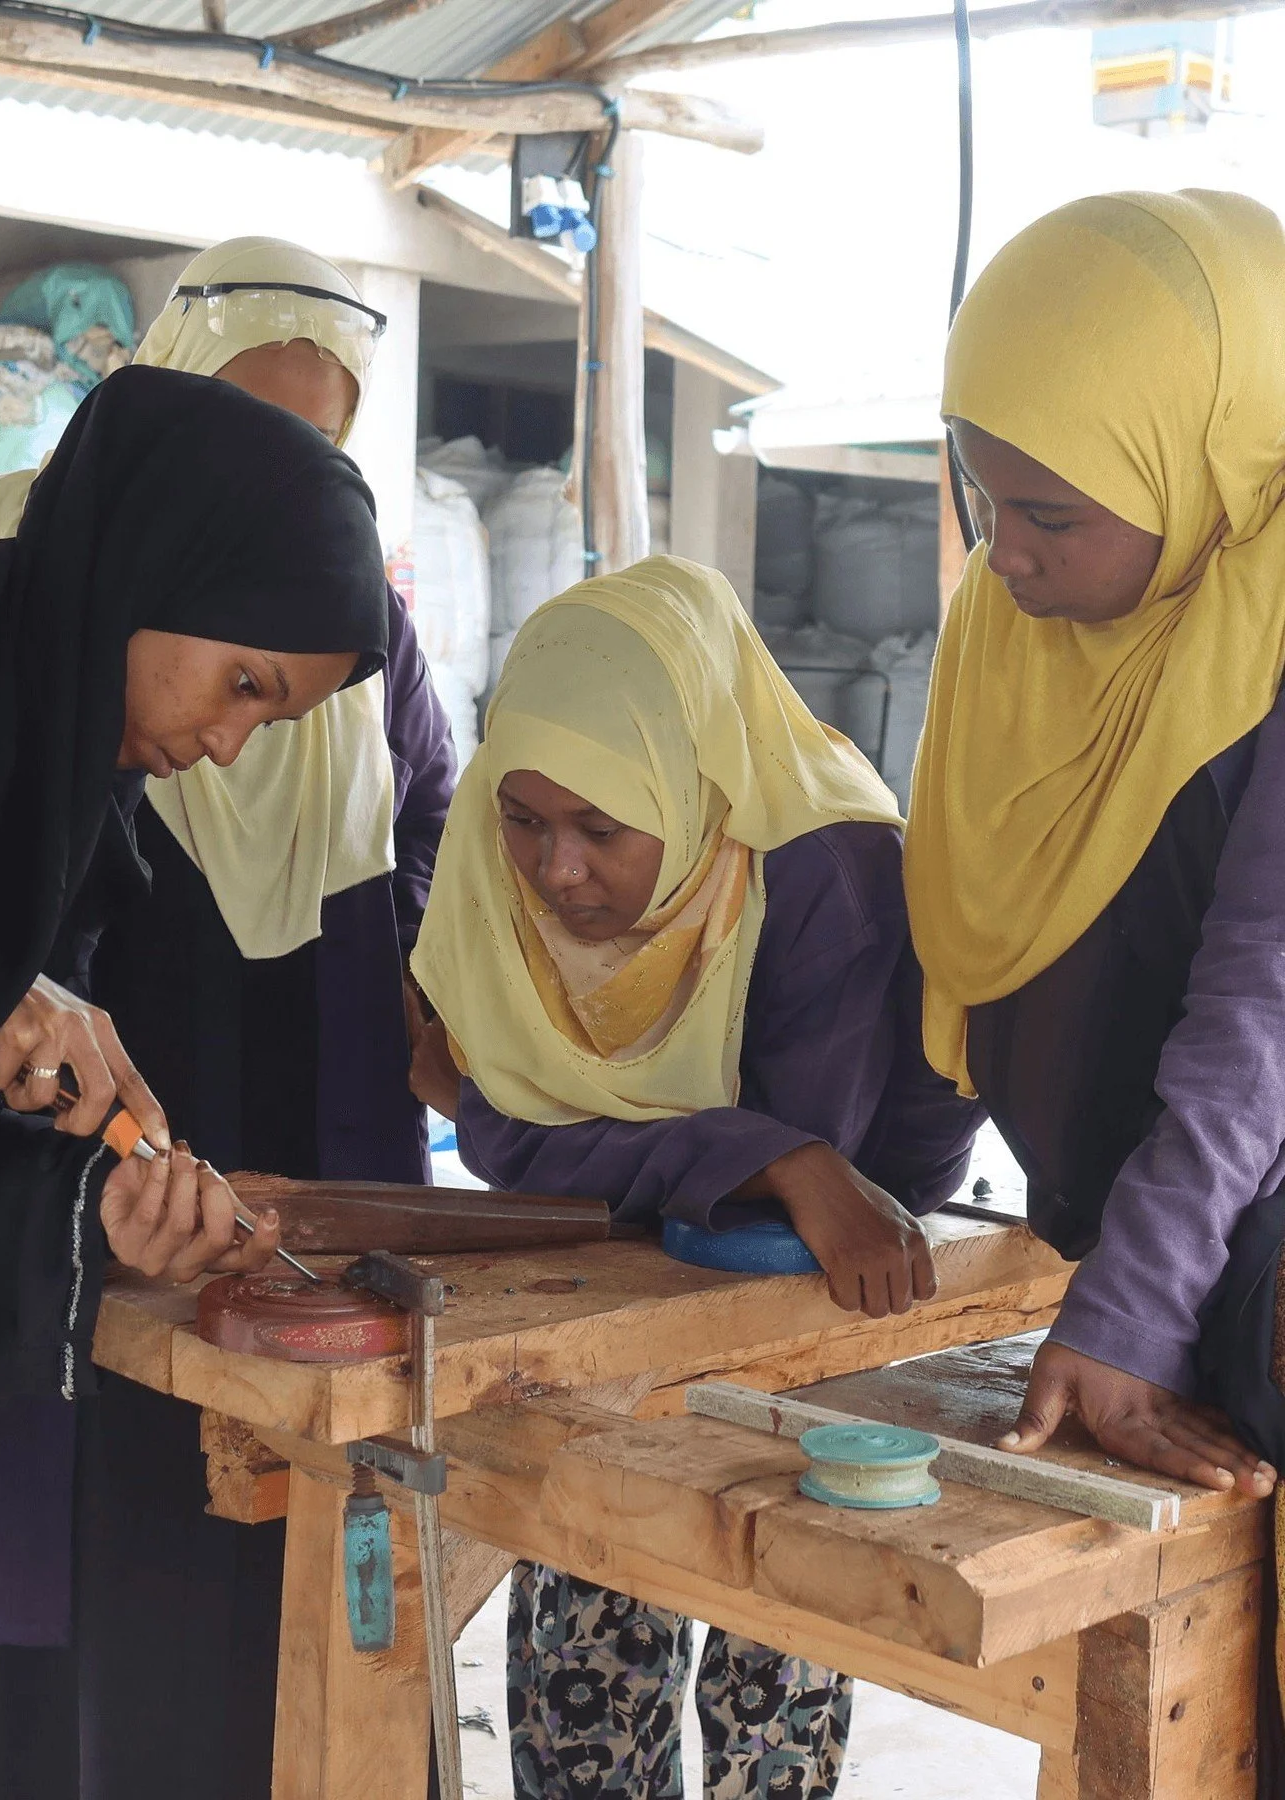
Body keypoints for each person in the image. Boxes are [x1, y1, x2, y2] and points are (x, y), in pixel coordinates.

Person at [0, 241, 455, 1800]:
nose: (226, 745)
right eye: (244, 684)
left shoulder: (97, 783)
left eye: (281, 713)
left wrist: (83, 1208)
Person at [410, 556, 978, 1799]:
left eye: (602, 829)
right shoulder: (490, 835)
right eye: (529, 821)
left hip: (815, 1295)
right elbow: (491, 1115)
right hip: (614, 1294)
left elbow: (795, 1193)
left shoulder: (824, 865)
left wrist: (765, 1162)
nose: (557, 871)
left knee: (775, 1620)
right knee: (585, 1633)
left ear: (691, 781)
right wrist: (759, 1153)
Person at [903, 187, 1285, 1503]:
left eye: (1052, 517)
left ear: (1199, 459)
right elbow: (969, 929)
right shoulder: (1011, 631)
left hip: (1240, 1261)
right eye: (980, 495)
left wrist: (1136, 1308)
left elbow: (1261, 1015)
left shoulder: (1271, 641)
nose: (1002, 555)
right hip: (1128, 1247)